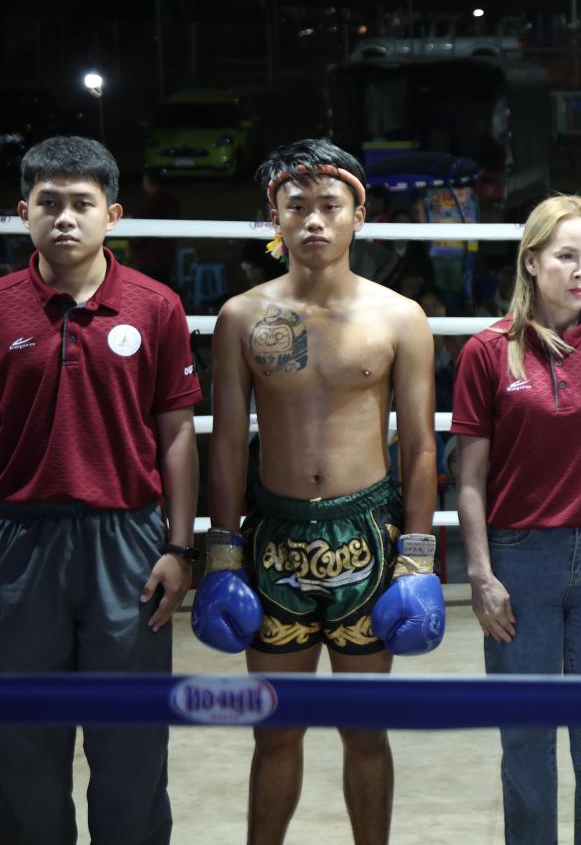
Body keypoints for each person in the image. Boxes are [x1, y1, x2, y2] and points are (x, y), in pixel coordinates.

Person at [192, 138, 444, 845]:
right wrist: (221, 552)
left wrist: (418, 557)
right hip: (275, 539)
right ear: (273, 217)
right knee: (275, 730)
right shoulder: (242, 317)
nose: (312, 220)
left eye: (329, 205)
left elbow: (421, 447)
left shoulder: (400, 317)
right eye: (295, 205)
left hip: (366, 537)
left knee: (365, 729)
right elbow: (227, 446)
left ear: (358, 215)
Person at [0, 137, 201, 845]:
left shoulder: (155, 305)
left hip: (128, 542)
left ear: (112, 214)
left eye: (82, 203)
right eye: (48, 202)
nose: (64, 217)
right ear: (23, 212)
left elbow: (176, 432)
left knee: (131, 735)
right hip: (16, 540)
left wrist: (180, 546)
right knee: (20, 739)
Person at [453, 194, 581, 845]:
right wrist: (480, 574)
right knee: (526, 736)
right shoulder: (488, 352)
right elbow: (469, 477)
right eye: (567, 256)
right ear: (531, 261)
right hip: (521, 561)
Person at [129, 166, 182, 288]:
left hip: (150, 258)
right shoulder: (172, 200)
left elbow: (139, 232)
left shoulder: (150, 202)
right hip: (168, 255)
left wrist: (132, 241)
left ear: (148, 181)